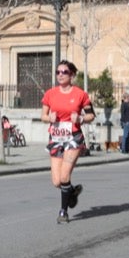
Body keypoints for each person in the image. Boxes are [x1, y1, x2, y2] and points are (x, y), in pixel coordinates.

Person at [43, 61, 92, 222]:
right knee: (57, 181)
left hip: (73, 138)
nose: (60, 75)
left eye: (64, 72)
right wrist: (48, 118)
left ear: (71, 75)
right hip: (56, 138)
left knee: (65, 176)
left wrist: (80, 118)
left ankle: (63, 212)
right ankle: (71, 192)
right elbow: (43, 115)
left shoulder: (80, 94)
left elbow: (91, 115)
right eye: (58, 72)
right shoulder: (50, 94)